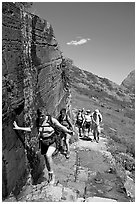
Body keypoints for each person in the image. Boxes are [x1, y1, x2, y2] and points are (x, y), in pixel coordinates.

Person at [13, 109, 73, 185]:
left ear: (45, 114)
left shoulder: (51, 120)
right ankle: (50, 173)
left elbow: (61, 127)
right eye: (40, 116)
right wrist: (19, 127)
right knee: (46, 159)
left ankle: (52, 176)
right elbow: (31, 129)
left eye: (42, 116)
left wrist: (68, 131)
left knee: (48, 155)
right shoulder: (37, 121)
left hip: (52, 141)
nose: (41, 117)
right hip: (44, 142)